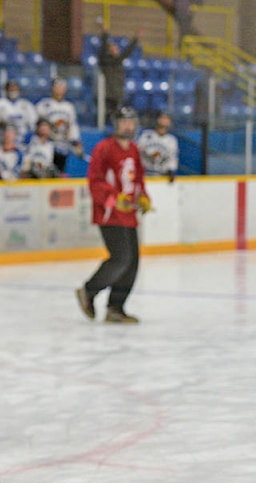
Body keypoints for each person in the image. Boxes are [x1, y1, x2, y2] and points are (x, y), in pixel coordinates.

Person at [76, 106, 152, 324]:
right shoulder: (104, 149)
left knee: (132, 262)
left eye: (131, 121)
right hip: (110, 213)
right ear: (115, 124)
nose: (128, 126)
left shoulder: (134, 150)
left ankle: (115, 307)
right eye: (123, 122)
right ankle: (89, 291)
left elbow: (138, 180)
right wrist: (112, 198)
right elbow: (95, 180)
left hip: (128, 214)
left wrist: (143, 197)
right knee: (121, 258)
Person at [35, 76, 85, 173]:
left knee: (58, 171)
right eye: (57, 86)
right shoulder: (43, 105)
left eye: (62, 87)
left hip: (62, 144)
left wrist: (76, 142)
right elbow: (37, 125)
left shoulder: (69, 107)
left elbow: (72, 126)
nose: (59, 89)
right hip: (47, 143)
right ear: (52, 88)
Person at [97, 25, 142, 117]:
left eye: (117, 48)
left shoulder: (118, 62)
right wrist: (105, 34)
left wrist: (136, 38)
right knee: (105, 115)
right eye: (113, 48)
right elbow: (104, 49)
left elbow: (126, 52)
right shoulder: (106, 61)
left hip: (117, 94)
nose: (116, 50)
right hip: (107, 95)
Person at [136, 110, 179, 182]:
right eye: (162, 118)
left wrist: (171, 170)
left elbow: (172, 159)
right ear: (157, 119)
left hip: (161, 176)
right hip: (145, 174)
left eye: (166, 119)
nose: (164, 121)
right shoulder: (146, 135)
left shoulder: (172, 140)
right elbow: (137, 152)